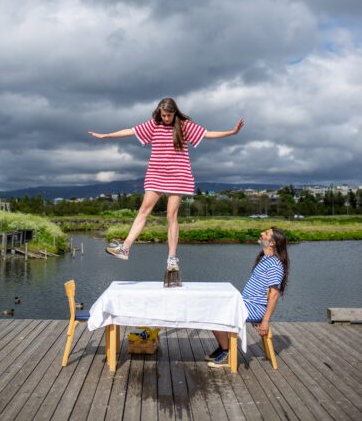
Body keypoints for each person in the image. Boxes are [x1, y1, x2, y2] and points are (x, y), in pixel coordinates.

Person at [89, 97, 244, 272]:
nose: (166, 118)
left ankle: (171, 258)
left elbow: (207, 134)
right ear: (159, 113)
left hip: (178, 175)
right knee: (143, 211)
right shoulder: (154, 125)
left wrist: (232, 132)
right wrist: (106, 135)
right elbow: (131, 131)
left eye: (169, 115)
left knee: (171, 216)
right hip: (156, 174)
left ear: (174, 113)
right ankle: (125, 248)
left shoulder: (184, 125)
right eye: (163, 115)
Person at [207, 227, 289, 368]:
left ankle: (226, 351)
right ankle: (223, 347)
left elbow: (274, 294)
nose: (262, 233)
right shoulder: (265, 259)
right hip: (248, 304)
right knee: (213, 308)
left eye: (266, 233)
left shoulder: (275, 264)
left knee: (214, 313)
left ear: (273, 243)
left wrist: (265, 320)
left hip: (255, 308)